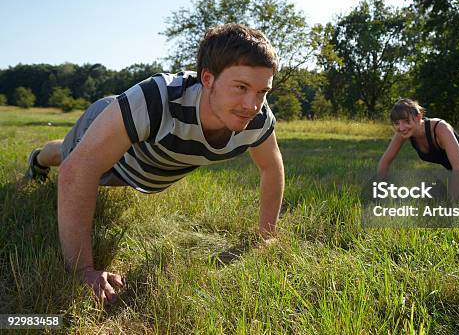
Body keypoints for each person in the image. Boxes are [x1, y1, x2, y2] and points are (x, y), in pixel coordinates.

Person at [25, 24, 285, 304]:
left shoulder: (257, 121)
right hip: (111, 130)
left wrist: (266, 235)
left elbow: (271, 167)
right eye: (241, 87)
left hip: (134, 171)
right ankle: (39, 158)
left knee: (85, 165)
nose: (252, 104)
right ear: (208, 79)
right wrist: (83, 270)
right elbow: (78, 170)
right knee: (68, 156)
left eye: (262, 92)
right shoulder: (156, 99)